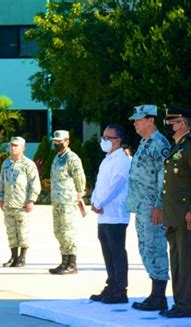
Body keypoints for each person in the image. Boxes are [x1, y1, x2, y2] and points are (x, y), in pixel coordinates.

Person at [160, 105, 191, 318]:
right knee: (177, 261)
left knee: (186, 261)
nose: (168, 126)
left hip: (186, 215)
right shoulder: (176, 147)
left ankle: (187, 305)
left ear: (182, 123)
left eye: (171, 122)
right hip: (173, 214)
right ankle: (179, 303)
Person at [126, 104, 170, 312]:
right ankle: (154, 294)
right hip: (141, 206)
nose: (135, 123)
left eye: (139, 119)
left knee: (156, 248)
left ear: (151, 120)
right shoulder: (144, 142)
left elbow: (164, 178)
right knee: (145, 247)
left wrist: (159, 206)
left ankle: (159, 296)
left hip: (153, 207)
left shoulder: (159, 143)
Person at [90, 125, 131, 304]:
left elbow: (116, 185)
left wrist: (99, 203)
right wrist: (93, 200)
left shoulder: (122, 159)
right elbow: (100, 184)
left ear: (118, 140)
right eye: (103, 137)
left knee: (117, 251)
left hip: (116, 213)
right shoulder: (107, 159)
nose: (104, 140)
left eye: (108, 138)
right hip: (103, 214)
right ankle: (111, 285)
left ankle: (120, 290)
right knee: (107, 251)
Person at [0, 136, 41, 268]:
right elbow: (1, 181)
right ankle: (13, 256)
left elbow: (35, 183)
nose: (13, 147)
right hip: (9, 203)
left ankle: (22, 257)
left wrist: (31, 200)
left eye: (16, 145)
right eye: (12, 145)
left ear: (23, 148)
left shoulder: (28, 164)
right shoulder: (6, 163)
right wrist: (0, 197)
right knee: (11, 232)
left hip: (22, 204)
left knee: (22, 231)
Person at [49, 130, 86, 275]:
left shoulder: (72, 158)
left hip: (67, 201)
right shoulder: (57, 158)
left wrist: (79, 193)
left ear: (67, 141)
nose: (57, 143)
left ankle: (72, 263)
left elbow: (79, 178)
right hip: (57, 201)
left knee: (68, 231)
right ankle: (64, 261)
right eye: (55, 141)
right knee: (59, 232)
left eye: (60, 141)